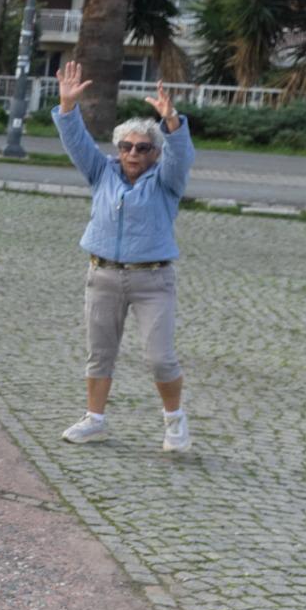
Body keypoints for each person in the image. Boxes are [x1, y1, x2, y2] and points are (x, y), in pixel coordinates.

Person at [53, 62, 196, 451]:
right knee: (99, 353)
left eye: (143, 147)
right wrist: (68, 107)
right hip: (103, 276)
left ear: (154, 152)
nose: (133, 153)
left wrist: (171, 121)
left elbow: (181, 156)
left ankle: (174, 421)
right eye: (126, 146)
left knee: (160, 357)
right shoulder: (102, 172)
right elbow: (77, 143)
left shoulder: (167, 181)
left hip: (153, 280)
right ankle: (94, 419)